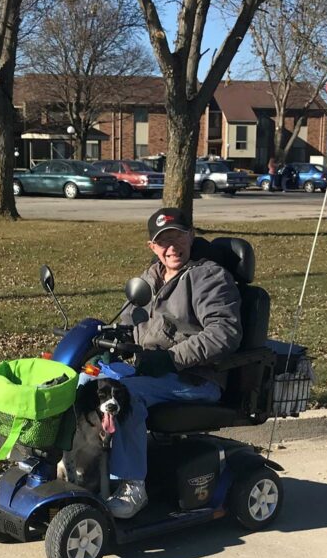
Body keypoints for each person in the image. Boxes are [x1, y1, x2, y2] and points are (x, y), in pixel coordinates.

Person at [103, 207, 243, 518]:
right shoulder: (150, 278)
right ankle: (85, 467)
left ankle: (131, 487)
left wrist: (171, 359)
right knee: (88, 382)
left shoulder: (209, 276)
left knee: (125, 396)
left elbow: (224, 333)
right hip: (151, 371)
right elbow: (130, 323)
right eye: (163, 241)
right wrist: (103, 338)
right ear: (152, 247)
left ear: (191, 235)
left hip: (195, 378)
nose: (172, 247)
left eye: (178, 237)